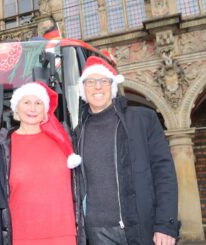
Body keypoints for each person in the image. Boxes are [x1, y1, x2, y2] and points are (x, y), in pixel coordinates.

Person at [72, 56, 180, 245]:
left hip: (140, 227)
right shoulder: (78, 133)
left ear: (111, 87)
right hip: (96, 232)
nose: (97, 87)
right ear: (83, 89)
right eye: (91, 82)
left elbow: (165, 173)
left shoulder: (143, 120)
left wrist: (166, 224)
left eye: (103, 81)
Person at [0, 82, 80, 245]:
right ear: (16, 110)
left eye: (38, 103)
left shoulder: (66, 142)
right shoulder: (3, 149)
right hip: (21, 238)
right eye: (26, 102)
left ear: (45, 110)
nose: (32, 108)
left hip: (65, 236)